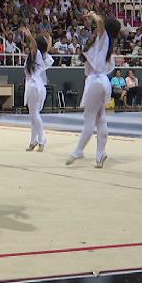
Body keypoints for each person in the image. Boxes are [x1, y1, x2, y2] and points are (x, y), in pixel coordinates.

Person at [67, 12, 121, 169]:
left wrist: (92, 15)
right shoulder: (103, 43)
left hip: (96, 81)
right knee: (101, 119)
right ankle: (100, 154)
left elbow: (100, 23)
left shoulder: (104, 38)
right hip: (101, 81)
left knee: (90, 119)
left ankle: (78, 150)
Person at [21, 27, 54, 151]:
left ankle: (41, 140)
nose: (30, 44)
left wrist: (30, 36)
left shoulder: (37, 54)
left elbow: (35, 46)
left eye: (33, 42)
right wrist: (49, 38)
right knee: (33, 116)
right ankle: (33, 141)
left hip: (34, 86)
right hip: (37, 86)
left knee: (34, 115)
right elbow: (47, 48)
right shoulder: (43, 55)